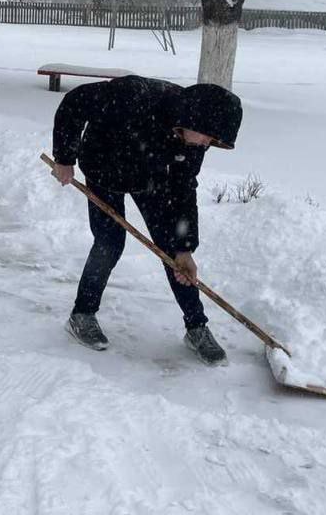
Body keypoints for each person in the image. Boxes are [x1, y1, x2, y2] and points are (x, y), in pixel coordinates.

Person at [50, 76, 242, 364]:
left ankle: (196, 327)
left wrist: (185, 247)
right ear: (194, 117)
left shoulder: (193, 143)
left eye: (213, 141)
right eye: (208, 136)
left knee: (172, 252)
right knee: (110, 242)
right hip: (104, 168)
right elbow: (74, 103)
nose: (207, 144)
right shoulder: (134, 96)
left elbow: (184, 189)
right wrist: (65, 158)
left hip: (150, 178)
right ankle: (82, 314)